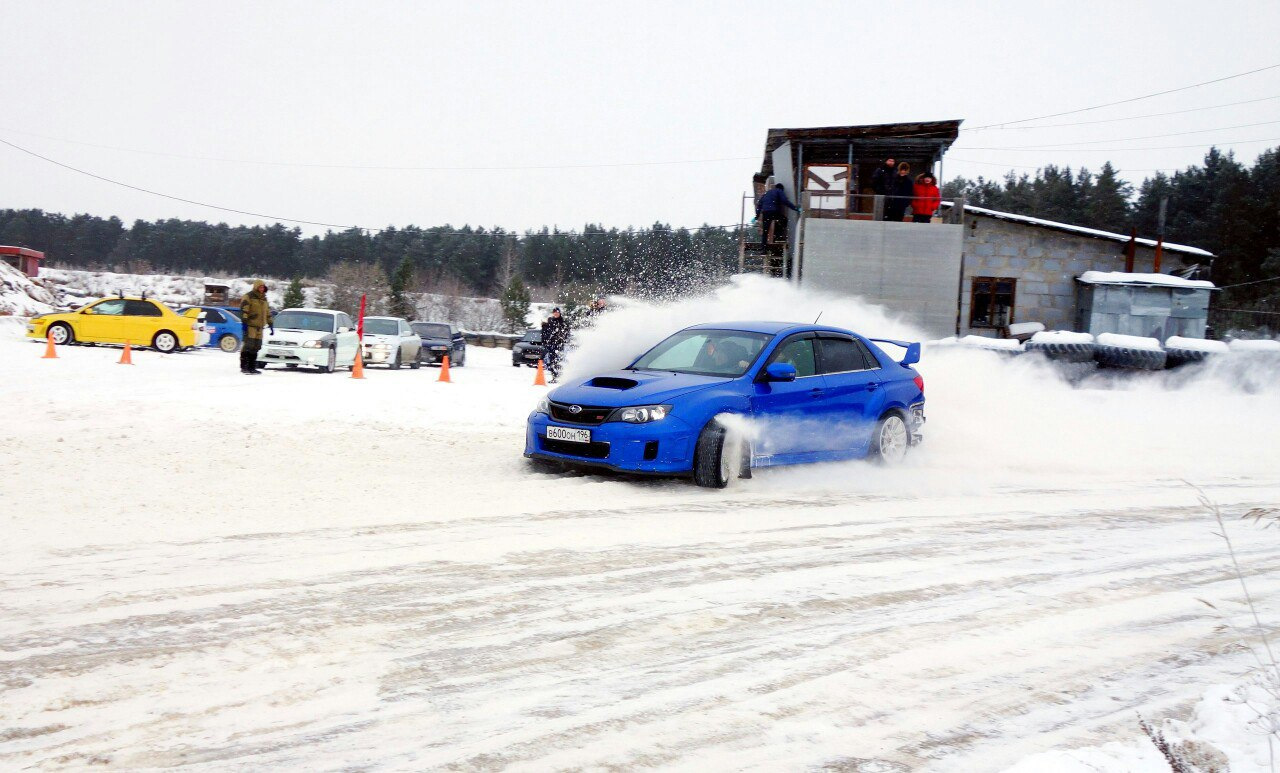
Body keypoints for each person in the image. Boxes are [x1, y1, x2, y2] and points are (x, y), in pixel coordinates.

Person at [238, 279, 271, 375]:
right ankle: (244, 367)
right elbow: (244, 310)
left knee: (256, 347)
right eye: (260, 287)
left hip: (260, 327)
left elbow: (267, 312)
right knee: (248, 346)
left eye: (263, 287)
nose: (262, 289)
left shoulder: (264, 299)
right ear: (256, 287)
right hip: (250, 325)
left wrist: (270, 322)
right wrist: (244, 322)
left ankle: (252, 367)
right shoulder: (248, 297)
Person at [755, 183, 800, 247]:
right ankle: (779, 236)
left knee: (765, 231)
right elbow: (785, 201)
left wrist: (757, 215)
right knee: (784, 220)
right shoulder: (779, 191)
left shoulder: (766, 193)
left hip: (765, 213)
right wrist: (795, 208)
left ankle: (763, 249)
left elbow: (759, 205)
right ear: (781, 189)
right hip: (774, 211)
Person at [541, 307, 570, 381]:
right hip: (551, 344)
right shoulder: (550, 321)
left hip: (559, 344)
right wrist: (544, 326)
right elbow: (546, 332)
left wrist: (563, 337)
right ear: (553, 313)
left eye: (557, 312)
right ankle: (555, 376)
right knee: (550, 361)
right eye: (554, 312)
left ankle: (559, 376)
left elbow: (567, 332)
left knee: (557, 360)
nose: (556, 314)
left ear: (559, 313)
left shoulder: (562, 322)